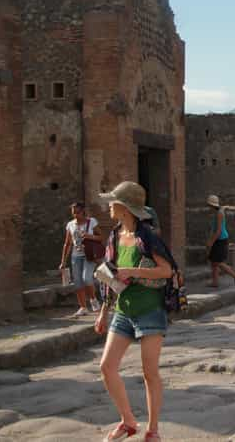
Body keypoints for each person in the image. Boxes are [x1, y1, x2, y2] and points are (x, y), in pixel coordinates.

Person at [94, 181, 174, 442]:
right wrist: (103, 311)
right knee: (107, 367)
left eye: (112, 203)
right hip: (123, 310)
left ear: (124, 208)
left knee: (149, 372)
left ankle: (153, 431)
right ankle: (128, 421)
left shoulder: (147, 237)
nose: (108, 206)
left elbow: (167, 271)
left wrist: (133, 272)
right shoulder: (115, 236)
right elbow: (111, 276)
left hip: (150, 310)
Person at [59, 202, 103, 317]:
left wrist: (90, 236)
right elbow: (67, 243)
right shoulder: (70, 225)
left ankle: (94, 300)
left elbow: (101, 237)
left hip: (89, 254)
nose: (76, 215)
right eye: (73, 212)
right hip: (76, 255)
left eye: (77, 212)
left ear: (83, 211)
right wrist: (63, 261)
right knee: (78, 282)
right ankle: (83, 307)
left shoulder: (91, 222)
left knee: (87, 278)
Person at [205, 195, 235, 288]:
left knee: (218, 262)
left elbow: (219, 230)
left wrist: (211, 242)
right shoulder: (217, 212)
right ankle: (215, 282)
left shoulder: (219, 213)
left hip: (220, 240)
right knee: (213, 262)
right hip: (217, 239)